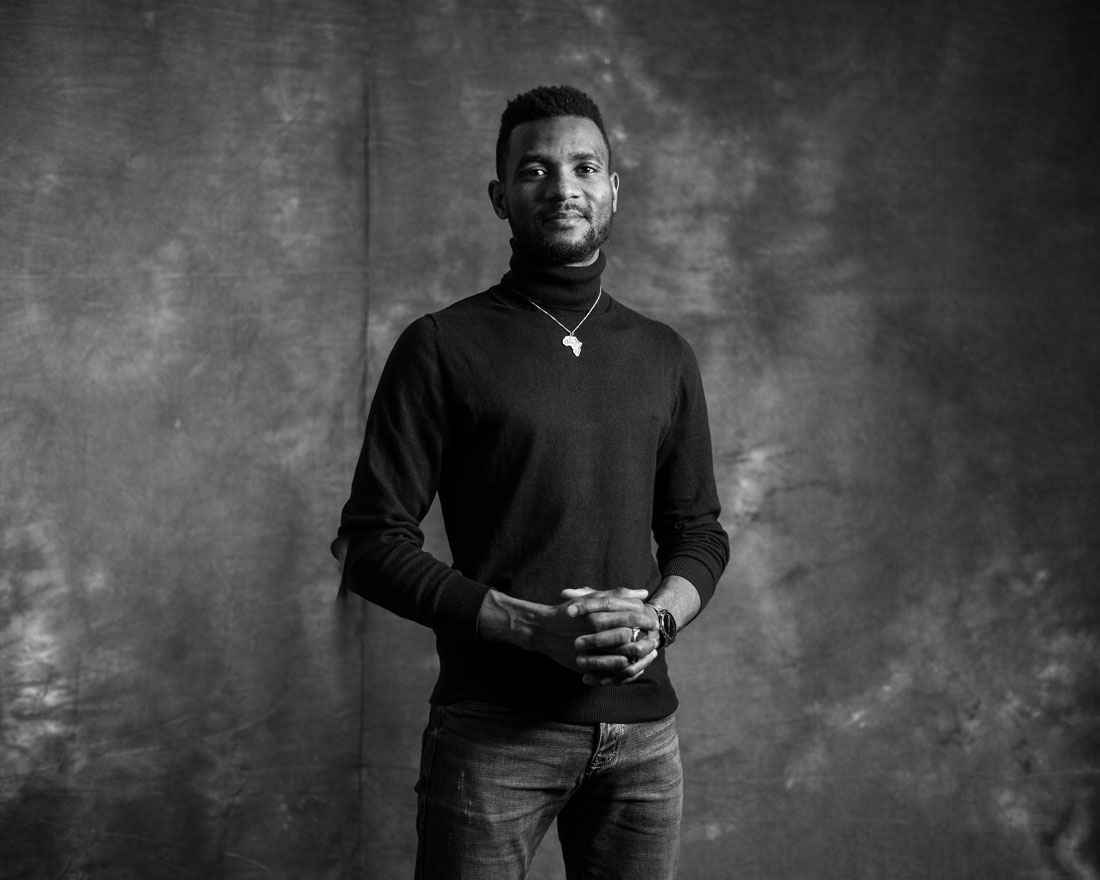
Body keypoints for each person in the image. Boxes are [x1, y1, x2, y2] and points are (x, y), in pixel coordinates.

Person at [333, 84, 729, 880]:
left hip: (643, 740)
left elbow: (698, 533)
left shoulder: (664, 354)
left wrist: (657, 621)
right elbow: (370, 544)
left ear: (613, 189)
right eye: (535, 170)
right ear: (500, 197)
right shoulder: (442, 346)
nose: (562, 186)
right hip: (493, 736)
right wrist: (528, 627)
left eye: (585, 167)